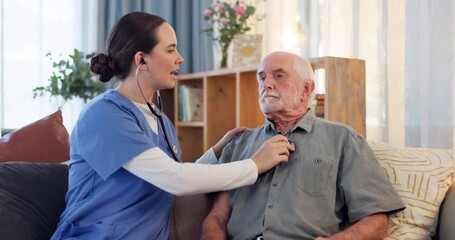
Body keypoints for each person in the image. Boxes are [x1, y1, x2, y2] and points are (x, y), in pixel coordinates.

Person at [51, 12, 294, 240]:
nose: (180, 58)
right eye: (170, 50)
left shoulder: (160, 120)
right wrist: (254, 165)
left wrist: (216, 151)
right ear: (142, 60)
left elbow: (165, 178)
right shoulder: (103, 115)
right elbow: (174, 179)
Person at [200, 51, 405, 240]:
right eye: (262, 77)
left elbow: (376, 219)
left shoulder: (344, 140)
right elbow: (217, 217)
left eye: (279, 76)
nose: (267, 84)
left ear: (306, 89)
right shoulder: (238, 144)